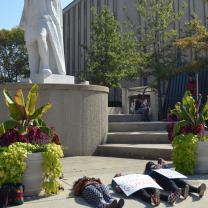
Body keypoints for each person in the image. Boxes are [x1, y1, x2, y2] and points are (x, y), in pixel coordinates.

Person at [20, 0, 66, 76]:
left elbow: (56, 4)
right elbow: (26, 5)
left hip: (45, 18)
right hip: (32, 20)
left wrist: (56, 21)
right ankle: (33, 72)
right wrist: (23, 19)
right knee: (30, 45)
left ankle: (45, 66)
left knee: (41, 36)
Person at [112, 173, 178, 206]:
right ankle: (152, 200)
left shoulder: (129, 177)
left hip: (141, 184)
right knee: (142, 192)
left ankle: (169, 197)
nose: (121, 174)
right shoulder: (117, 182)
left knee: (153, 189)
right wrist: (118, 188)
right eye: (119, 175)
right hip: (134, 188)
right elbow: (117, 189)